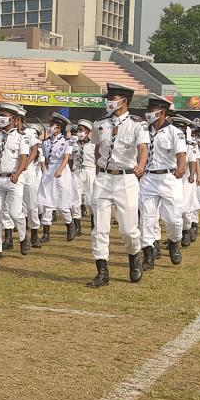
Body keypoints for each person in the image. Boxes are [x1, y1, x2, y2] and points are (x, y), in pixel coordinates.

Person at [86, 83, 149, 288]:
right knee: (99, 228)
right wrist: (99, 168)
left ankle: (134, 256)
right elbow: (97, 149)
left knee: (129, 230)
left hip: (126, 179)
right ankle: (102, 271)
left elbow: (142, 148)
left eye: (113, 99)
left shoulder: (137, 124)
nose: (109, 102)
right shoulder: (99, 124)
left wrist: (140, 165)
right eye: (109, 98)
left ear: (124, 101)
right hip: (104, 178)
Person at [138, 95, 186, 270]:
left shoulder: (175, 132)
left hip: (168, 178)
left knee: (173, 219)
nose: (148, 114)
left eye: (151, 111)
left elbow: (181, 153)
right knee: (147, 218)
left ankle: (174, 241)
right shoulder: (143, 131)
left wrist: (181, 168)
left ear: (162, 112)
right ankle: (148, 253)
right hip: (148, 178)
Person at [0, 102, 31, 261]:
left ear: (13, 118)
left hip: (13, 179)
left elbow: (23, 157)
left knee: (15, 213)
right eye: (0, 115)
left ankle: (22, 237)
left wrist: (18, 173)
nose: (1, 118)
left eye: (4, 116)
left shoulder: (21, 137)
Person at [37, 113, 76, 242]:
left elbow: (66, 158)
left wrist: (60, 170)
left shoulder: (67, 141)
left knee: (63, 203)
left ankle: (70, 226)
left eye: (53, 125)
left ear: (59, 127)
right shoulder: (46, 142)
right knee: (47, 203)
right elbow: (44, 158)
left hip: (62, 172)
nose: (50, 127)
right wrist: (46, 172)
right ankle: (46, 234)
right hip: (50, 171)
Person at [172, 115, 200, 247]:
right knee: (171, 209)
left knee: (184, 207)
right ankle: (174, 237)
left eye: (181, 128)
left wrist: (192, 176)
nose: (178, 130)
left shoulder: (190, 144)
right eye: (176, 127)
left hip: (185, 178)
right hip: (169, 177)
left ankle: (186, 230)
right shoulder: (168, 139)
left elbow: (193, 160)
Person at [20, 122, 44, 249]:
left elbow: (36, 155)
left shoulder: (30, 134)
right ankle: (22, 237)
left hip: (29, 174)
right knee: (17, 207)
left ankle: (34, 234)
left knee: (31, 206)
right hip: (15, 172)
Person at [71, 119, 95, 237]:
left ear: (87, 131)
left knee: (91, 200)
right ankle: (77, 226)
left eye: (81, 130)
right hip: (77, 171)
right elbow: (70, 160)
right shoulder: (73, 145)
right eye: (77, 130)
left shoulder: (94, 145)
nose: (78, 133)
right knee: (75, 199)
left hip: (90, 171)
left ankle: (94, 227)